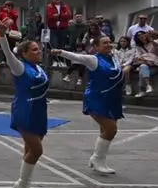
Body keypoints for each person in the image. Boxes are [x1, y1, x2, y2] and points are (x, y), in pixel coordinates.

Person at [52, 37, 124, 175]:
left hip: (112, 99)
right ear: (96, 47)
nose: (108, 45)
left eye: (109, 42)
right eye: (104, 43)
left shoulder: (114, 58)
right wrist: (61, 52)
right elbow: (77, 57)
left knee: (105, 130)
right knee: (111, 130)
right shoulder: (94, 59)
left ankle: (99, 160)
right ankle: (97, 159)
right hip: (97, 98)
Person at [0, 20, 49, 188]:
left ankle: (21, 183)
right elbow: (7, 54)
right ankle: (24, 187)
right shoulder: (20, 68)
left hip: (39, 111)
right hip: (24, 110)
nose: (39, 52)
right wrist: (2, 36)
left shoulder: (39, 68)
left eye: (39, 49)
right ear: (25, 53)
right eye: (34, 50)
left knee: (29, 150)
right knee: (36, 150)